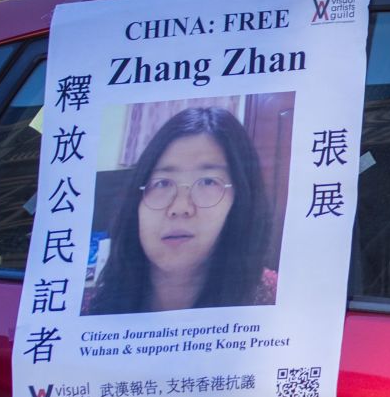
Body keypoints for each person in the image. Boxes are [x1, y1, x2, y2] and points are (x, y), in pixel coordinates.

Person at [86, 106, 275, 314]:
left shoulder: (272, 298)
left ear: (241, 200)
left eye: (207, 182)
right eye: (162, 183)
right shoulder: (92, 305)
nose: (180, 207)